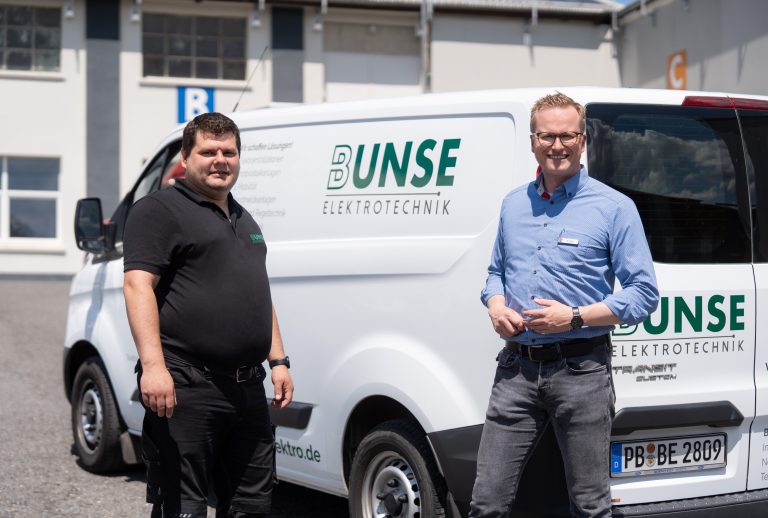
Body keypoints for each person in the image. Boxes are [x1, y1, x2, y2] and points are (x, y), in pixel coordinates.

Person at [469, 93, 659, 518]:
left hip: (582, 372)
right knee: (487, 502)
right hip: (515, 370)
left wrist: (572, 316)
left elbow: (644, 293)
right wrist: (496, 305)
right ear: (533, 141)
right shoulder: (514, 204)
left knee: (590, 505)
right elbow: (495, 272)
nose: (558, 146)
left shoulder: (614, 208)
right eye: (548, 136)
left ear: (583, 140)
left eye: (567, 136)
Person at [123, 112, 293, 518]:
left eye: (229, 152)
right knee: (184, 506)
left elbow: (257, 294)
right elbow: (137, 286)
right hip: (187, 385)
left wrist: (279, 361)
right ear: (185, 156)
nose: (220, 159)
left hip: (247, 388)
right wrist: (153, 367)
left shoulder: (244, 217)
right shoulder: (159, 210)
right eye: (208, 151)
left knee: (251, 504)